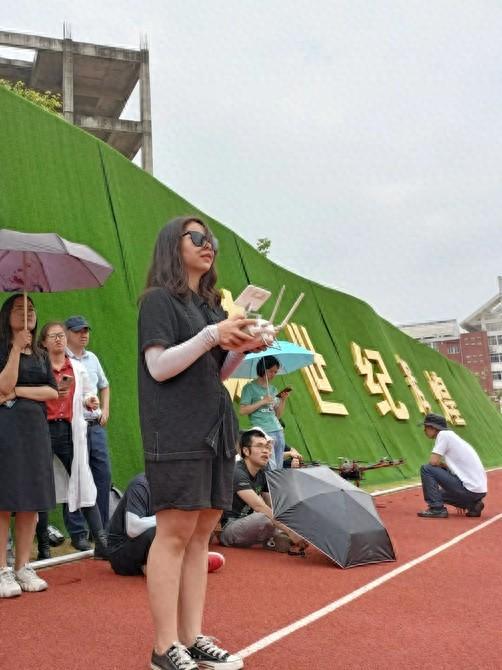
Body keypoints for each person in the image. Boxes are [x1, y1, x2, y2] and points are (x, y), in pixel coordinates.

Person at [138, 216, 264, 670]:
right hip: (176, 430)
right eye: (196, 237)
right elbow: (159, 367)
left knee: (200, 535)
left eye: (210, 239)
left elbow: (216, 372)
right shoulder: (158, 301)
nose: (207, 244)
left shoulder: (209, 306)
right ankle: (163, 646)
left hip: (215, 426)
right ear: (174, 245)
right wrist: (212, 335)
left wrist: (239, 347)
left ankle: (190, 637)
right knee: (173, 534)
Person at [0, 294, 59, 598]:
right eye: (21, 309)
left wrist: (19, 392)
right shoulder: (2, 348)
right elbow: (3, 386)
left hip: (35, 431)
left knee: (29, 502)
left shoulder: (40, 354)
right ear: (7, 316)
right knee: (5, 501)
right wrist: (14, 348)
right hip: (6, 430)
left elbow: (51, 391)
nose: (29, 314)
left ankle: (23, 566)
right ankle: (2, 569)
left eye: (32, 309)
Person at [35, 322, 109, 560]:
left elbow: (89, 391)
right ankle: (43, 548)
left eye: (60, 336)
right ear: (44, 342)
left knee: (84, 480)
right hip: (42, 431)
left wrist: (91, 401)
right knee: (42, 488)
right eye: (53, 336)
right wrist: (50, 390)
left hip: (69, 431)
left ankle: (101, 541)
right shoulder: (37, 367)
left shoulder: (76, 367)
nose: (58, 340)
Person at [107, 473, 224, 576]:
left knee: (184, 525)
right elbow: (132, 529)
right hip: (121, 552)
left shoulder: (179, 489)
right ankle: (186, 564)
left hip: (145, 553)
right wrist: (168, 519)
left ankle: (165, 567)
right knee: (161, 529)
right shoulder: (141, 485)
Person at [64, 315, 111, 550]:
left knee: (103, 476)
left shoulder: (92, 358)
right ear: (67, 334)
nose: (84, 334)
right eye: (78, 331)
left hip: (95, 426)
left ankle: (101, 532)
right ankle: (78, 533)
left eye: (86, 330)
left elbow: (105, 384)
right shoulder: (61, 360)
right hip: (72, 427)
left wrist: (106, 410)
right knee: (74, 478)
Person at [220, 428, 308, 553]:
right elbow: (259, 506)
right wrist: (289, 531)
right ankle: (273, 538)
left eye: (267, 447)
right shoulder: (237, 472)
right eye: (259, 446)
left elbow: (272, 505)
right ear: (246, 451)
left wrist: (294, 525)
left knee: (286, 513)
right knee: (264, 517)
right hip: (230, 529)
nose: (265, 451)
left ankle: (271, 540)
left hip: (252, 524)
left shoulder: (263, 472)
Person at [417, 413, 487, 518]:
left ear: (433, 427)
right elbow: (446, 466)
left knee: (426, 469)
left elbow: (433, 462)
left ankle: (437, 509)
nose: (424, 430)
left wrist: (439, 466)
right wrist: (443, 467)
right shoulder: (451, 436)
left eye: (426, 427)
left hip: (469, 489)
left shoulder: (443, 435)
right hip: (478, 491)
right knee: (436, 495)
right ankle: (473, 505)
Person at [239, 356, 290, 470]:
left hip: (278, 430)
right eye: (271, 371)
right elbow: (242, 410)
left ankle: (277, 488)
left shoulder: (273, 389)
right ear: (262, 369)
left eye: (275, 372)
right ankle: (270, 487)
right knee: (269, 466)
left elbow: (278, 415)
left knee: (278, 466)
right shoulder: (250, 387)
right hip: (264, 431)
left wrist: (282, 400)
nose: (273, 374)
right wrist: (262, 401)